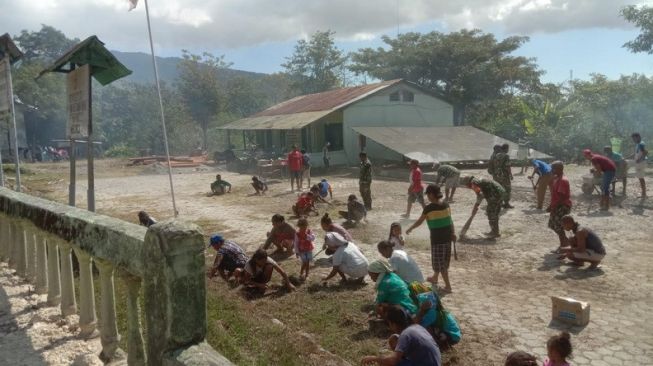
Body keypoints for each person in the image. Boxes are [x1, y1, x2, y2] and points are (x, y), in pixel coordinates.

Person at [406, 184, 455, 291]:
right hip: (447, 239)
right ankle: (435, 278)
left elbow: (420, 221)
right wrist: (453, 233)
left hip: (437, 240)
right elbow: (450, 220)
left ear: (431, 194)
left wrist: (410, 228)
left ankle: (448, 286)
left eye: (428, 194)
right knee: (441, 261)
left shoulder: (429, 208)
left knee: (440, 263)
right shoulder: (446, 205)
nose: (427, 196)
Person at [361, 305, 442, 366]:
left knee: (388, 363)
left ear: (393, 324)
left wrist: (376, 359)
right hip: (435, 363)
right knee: (393, 339)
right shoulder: (417, 327)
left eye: (389, 324)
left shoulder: (405, 334)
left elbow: (392, 361)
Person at [548, 161, 572, 249]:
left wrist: (553, 206)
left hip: (562, 206)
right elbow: (550, 185)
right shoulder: (557, 178)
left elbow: (561, 197)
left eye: (553, 168)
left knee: (558, 226)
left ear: (558, 169)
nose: (551, 170)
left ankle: (564, 244)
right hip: (557, 205)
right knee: (553, 225)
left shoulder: (562, 180)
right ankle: (566, 242)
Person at [494, 144, 514, 208]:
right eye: (508, 149)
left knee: (499, 188)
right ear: (506, 149)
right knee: (507, 189)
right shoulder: (506, 156)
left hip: (497, 174)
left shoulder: (497, 155)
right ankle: (506, 203)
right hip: (504, 175)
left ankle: (499, 203)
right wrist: (510, 175)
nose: (508, 150)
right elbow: (508, 166)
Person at [630, 132, 648, 198]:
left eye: (634, 138)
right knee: (640, 178)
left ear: (638, 137)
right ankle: (643, 193)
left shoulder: (641, 144)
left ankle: (644, 194)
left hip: (641, 163)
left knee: (641, 178)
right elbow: (636, 153)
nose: (633, 140)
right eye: (633, 139)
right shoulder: (638, 144)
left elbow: (645, 152)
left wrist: (640, 160)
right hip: (639, 163)